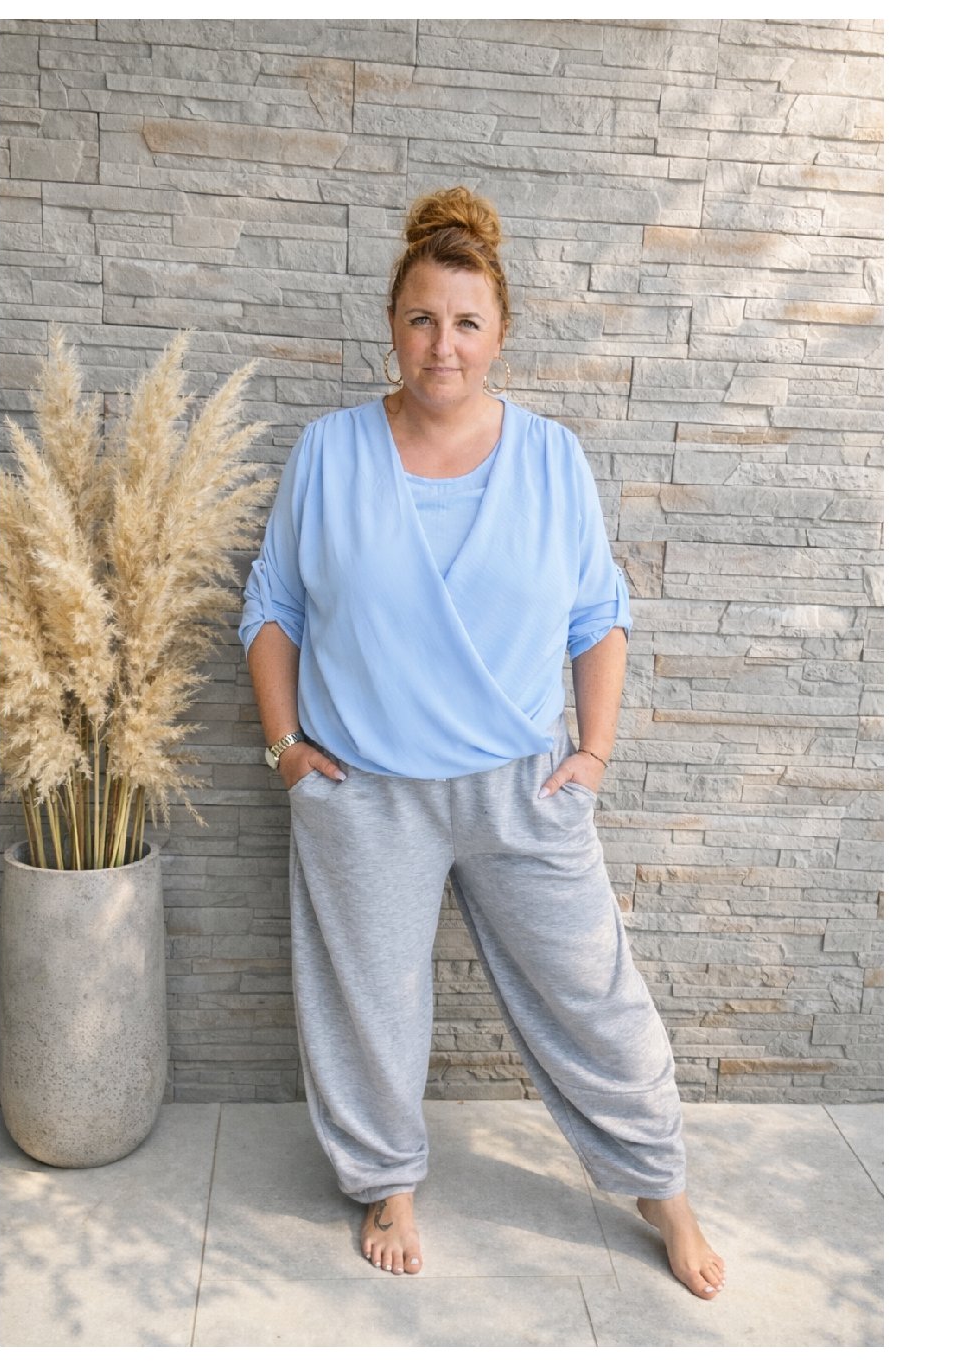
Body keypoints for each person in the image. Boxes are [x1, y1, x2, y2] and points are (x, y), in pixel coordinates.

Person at [240, 186, 725, 1299]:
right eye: (421, 319)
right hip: (366, 790)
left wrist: (591, 755)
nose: (441, 345)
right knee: (370, 1007)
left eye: (465, 322)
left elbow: (598, 615)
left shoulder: (552, 458)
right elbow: (273, 606)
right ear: (391, 324)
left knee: (593, 992)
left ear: (500, 332)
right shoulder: (329, 451)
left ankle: (663, 1187)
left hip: (520, 786)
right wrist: (286, 750)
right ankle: (387, 1184)